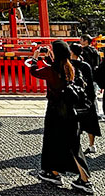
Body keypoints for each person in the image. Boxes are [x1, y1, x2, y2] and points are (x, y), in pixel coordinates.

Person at [29, 40, 94, 194]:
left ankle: (85, 181)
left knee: (61, 144)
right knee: (66, 144)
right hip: (70, 110)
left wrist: (35, 58)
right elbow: (55, 68)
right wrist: (49, 57)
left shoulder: (52, 70)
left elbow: (35, 71)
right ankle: (53, 172)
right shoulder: (70, 67)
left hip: (55, 111)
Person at [69, 43, 101, 154]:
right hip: (86, 96)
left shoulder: (68, 64)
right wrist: (91, 98)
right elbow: (90, 83)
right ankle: (92, 145)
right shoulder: (86, 65)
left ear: (71, 52)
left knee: (73, 122)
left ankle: (74, 146)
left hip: (73, 97)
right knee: (90, 122)